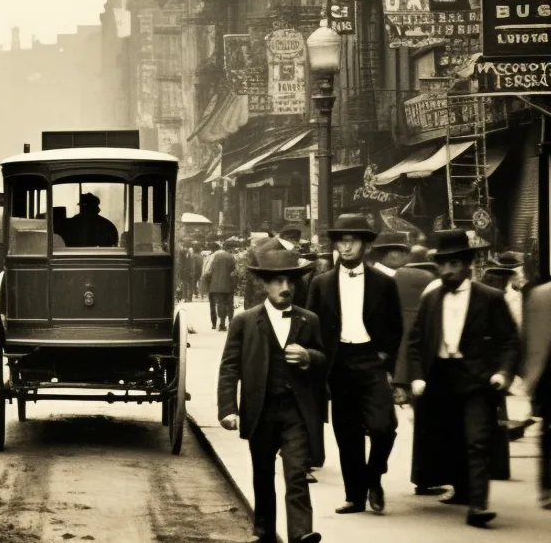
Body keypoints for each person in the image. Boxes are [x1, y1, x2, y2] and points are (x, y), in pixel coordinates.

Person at [401, 230, 520, 528]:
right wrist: (415, 375)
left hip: (476, 379)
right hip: (439, 379)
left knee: (477, 440)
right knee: (449, 438)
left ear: (467, 264)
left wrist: (503, 372)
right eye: (444, 264)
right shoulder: (431, 299)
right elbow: (415, 341)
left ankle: (478, 505)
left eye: (455, 263)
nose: (449, 270)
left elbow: (509, 341)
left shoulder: (490, 298)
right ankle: (462, 489)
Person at [217, 248, 326, 543]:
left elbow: (324, 359)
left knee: (296, 474)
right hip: (261, 410)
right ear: (264, 285)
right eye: (277, 282)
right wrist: (228, 408)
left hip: (296, 411)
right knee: (263, 474)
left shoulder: (309, 321)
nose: (285, 288)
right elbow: (230, 366)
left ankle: (301, 534)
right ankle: (263, 531)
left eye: (290, 282)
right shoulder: (245, 322)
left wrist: (309, 357)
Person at [305, 213, 404, 516]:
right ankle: (355, 496)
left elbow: (395, 325)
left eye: (353, 242)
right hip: (338, 362)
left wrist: (384, 356)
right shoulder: (321, 283)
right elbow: (310, 324)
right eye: (341, 242)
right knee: (346, 432)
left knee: (382, 426)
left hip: (371, 359)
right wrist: (317, 360)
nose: (346, 248)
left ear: (366, 245)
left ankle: (373, 478)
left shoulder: (384, 282)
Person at [520, 275, 551, 509]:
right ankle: (548, 487)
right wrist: (530, 379)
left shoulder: (539, 294)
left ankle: (547, 488)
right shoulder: (542, 295)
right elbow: (532, 342)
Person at [203, 241, 238, 331]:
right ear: (230, 248)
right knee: (230, 305)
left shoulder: (216, 256)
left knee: (221, 305)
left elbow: (210, 271)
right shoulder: (231, 257)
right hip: (228, 285)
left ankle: (222, 324)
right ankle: (231, 323)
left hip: (216, 286)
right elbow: (234, 271)